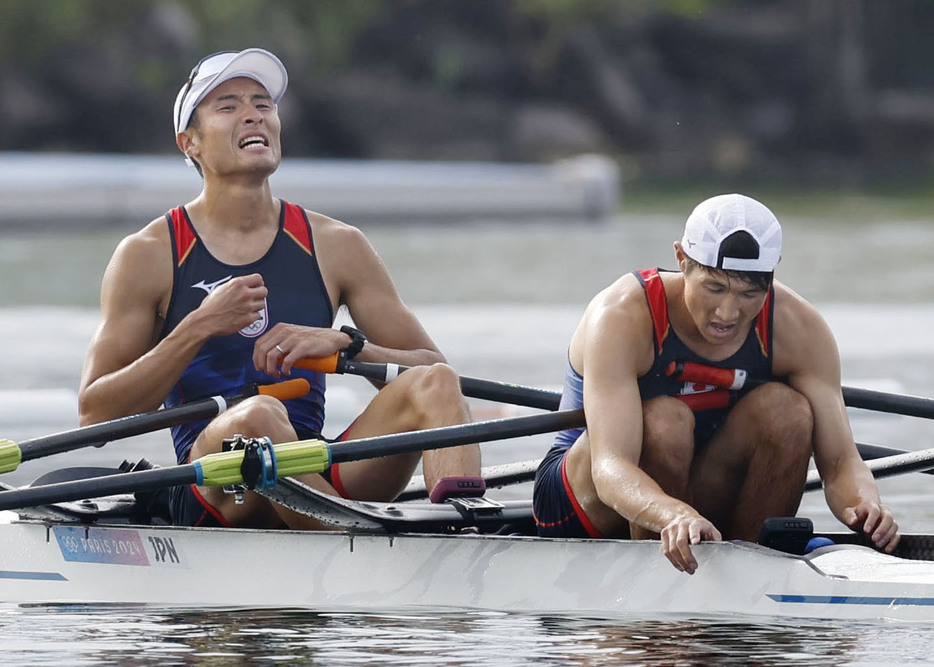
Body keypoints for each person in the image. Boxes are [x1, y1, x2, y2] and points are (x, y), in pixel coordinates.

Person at [77, 48, 480, 529]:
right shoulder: (148, 254)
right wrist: (197, 327)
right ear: (191, 143)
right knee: (260, 416)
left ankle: (464, 527)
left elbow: (436, 370)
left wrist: (348, 343)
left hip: (317, 469)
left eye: (263, 104)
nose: (253, 114)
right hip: (216, 485)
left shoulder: (337, 245)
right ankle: (354, 545)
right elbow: (95, 414)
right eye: (227, 106)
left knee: (434, 383)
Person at [532, 193, 899, 573]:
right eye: (714, 287)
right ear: (681, 260)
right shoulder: (623, 314)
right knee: (665, 419)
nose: (728, 312)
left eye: (748, 294)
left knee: (788, 410)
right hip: (586, 497)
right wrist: (670, 513)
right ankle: (664, 574)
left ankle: (752, 560)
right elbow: (610, 467)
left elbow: (839, 462)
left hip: (697, 487)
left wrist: (865, 505)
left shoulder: (798, 327)